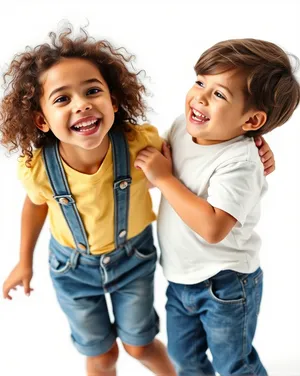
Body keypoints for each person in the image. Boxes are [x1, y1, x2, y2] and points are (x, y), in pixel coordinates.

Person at [0, 27, 176, 376]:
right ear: (42, 120)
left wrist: (248, 152)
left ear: (112, 102)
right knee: (102, 355)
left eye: (92, 91)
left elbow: (181, 171)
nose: (82, 104)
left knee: (139, 344)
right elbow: (35, 206)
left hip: (133, 259)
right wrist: (24, 261)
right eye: (62, 99)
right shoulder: (38, 170)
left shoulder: (139, 143)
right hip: (72, 270)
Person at [134, 38, 299, 376]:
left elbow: (212, 228)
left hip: (225, 284)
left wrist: (164, 179)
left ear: (251, 121)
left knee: (234, 364)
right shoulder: (183, 128)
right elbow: (156, 175)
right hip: (180, 278)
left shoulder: (240, 161)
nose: (200, 97)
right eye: (200, 82)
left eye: (219, 94)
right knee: (183, 358)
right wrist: (155, 174)